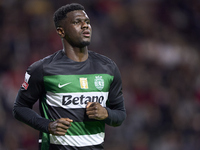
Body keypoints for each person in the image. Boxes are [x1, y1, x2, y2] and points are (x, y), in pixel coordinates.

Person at [13, 3, 126, 150]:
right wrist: (47, 125)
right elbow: (19, 108)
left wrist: (106, 113)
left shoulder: (108, 68)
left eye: (87, 22)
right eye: (77, 22)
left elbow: (120, 115)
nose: (85, 26)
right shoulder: (43, 69)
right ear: (61, 31)